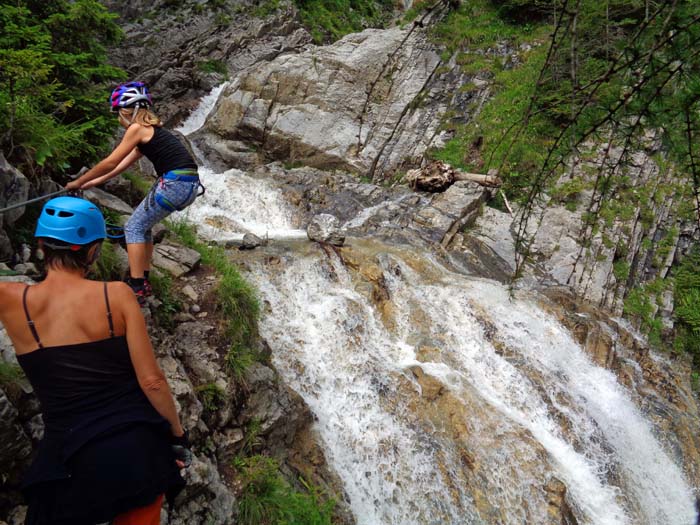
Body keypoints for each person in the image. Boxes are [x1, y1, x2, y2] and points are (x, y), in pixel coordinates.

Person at [0, 196, 190, 525]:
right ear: (92, 251)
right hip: (137, 448)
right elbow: (152, 380)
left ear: (41, 247)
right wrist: (177, 437)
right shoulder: (117, 294)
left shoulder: (11, 299)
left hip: (68, 458)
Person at [66, 81, 202, 305]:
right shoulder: (152, 133)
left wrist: (78, 181)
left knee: (133, 227)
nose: (119, 118)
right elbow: (120, 167)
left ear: (129, 111)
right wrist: (91, 183)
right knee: (142, 227)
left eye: (119, 112)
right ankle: (143, 279)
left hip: (174, 183)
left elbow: (110, 161)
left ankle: (136, 286)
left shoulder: (137, 129)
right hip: (188, 186)